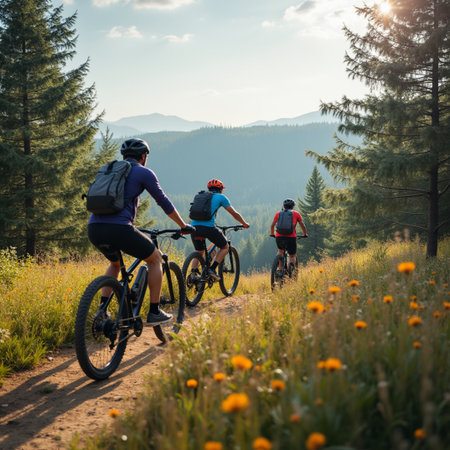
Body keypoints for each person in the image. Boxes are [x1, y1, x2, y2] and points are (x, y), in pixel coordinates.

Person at [88, 138, 194, 326]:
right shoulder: (144, 172)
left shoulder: (109, 170)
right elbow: (164, 202)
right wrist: (183, 225)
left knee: (115, 264)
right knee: (155, 259)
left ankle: (102, 310)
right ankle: (154, 312)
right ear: (144, 156)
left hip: (94, 228)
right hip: (120, 228)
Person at [189, 179, 249, 280]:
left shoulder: (200, 196)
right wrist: (244, 223)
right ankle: (212, 269)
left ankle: (193, 274)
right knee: (225, 246)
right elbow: (234, 213)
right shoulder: (221, 197)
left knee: (199, 251)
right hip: (208, 228)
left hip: (193, 228)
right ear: (220, 190)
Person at [270, 198, 307, 271]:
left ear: (283, 206)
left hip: (279, 237)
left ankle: (280, 270)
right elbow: (302, 225)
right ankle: (291, 271)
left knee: (280, 252)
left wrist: (272, 234)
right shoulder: (296, 214)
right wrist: (304, 234)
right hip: (291, 238)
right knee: (292, 255)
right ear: (293, 207)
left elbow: (272, 225)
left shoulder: (278, 214)